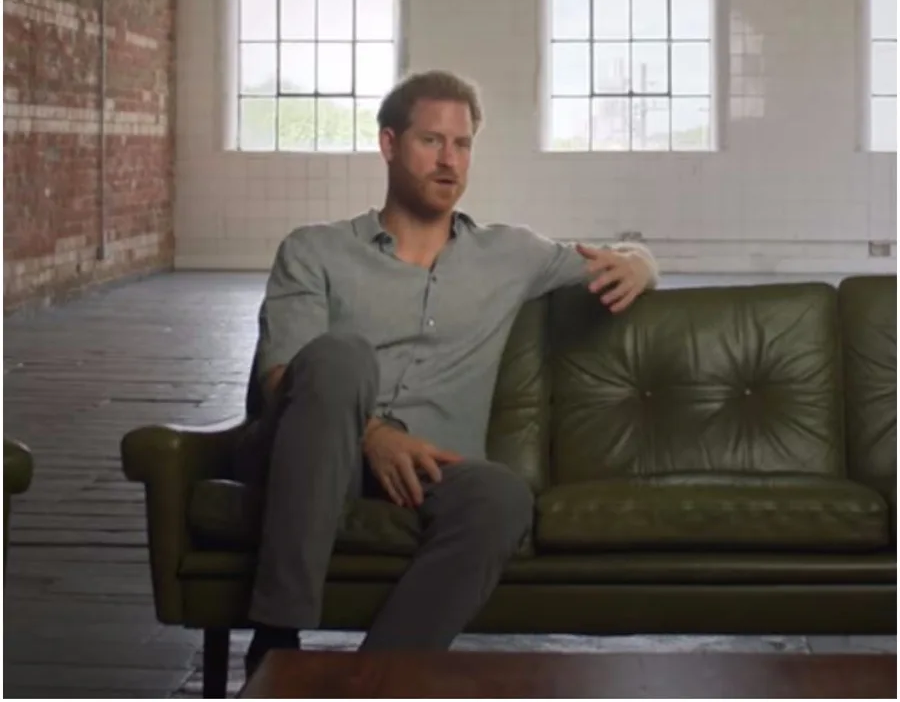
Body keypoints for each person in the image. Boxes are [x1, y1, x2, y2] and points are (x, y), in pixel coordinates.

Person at [235, 70, 659, 676]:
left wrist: (643, 263)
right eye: (431, 141)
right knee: (341, 354)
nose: (449, 161)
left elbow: (619, 255)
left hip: (432, 472)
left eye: (462, 145)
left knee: (503, 493)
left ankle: (374, 684)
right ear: (388, 144)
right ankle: (276, 639)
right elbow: (282, 381)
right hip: (312, 450)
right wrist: (373, 436)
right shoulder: (314, 250)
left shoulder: (511, 254)